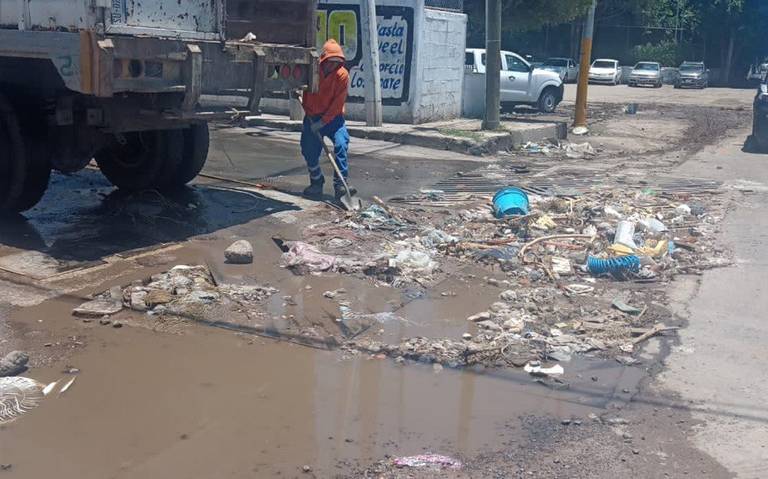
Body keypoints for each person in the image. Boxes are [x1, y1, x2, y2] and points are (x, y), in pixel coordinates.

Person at [300, 39, 354, 200]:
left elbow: (338, 102)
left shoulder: (342, 75)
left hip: (334, 118)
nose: (333, 66)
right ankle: (316, 182)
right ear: (323, 59)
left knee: (341, 144)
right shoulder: (313, 71)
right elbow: (305, 89)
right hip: (312, 117)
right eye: (331, 62)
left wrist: (323, 122)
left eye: (337, 62)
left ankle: (340, 184)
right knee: (308, 148)